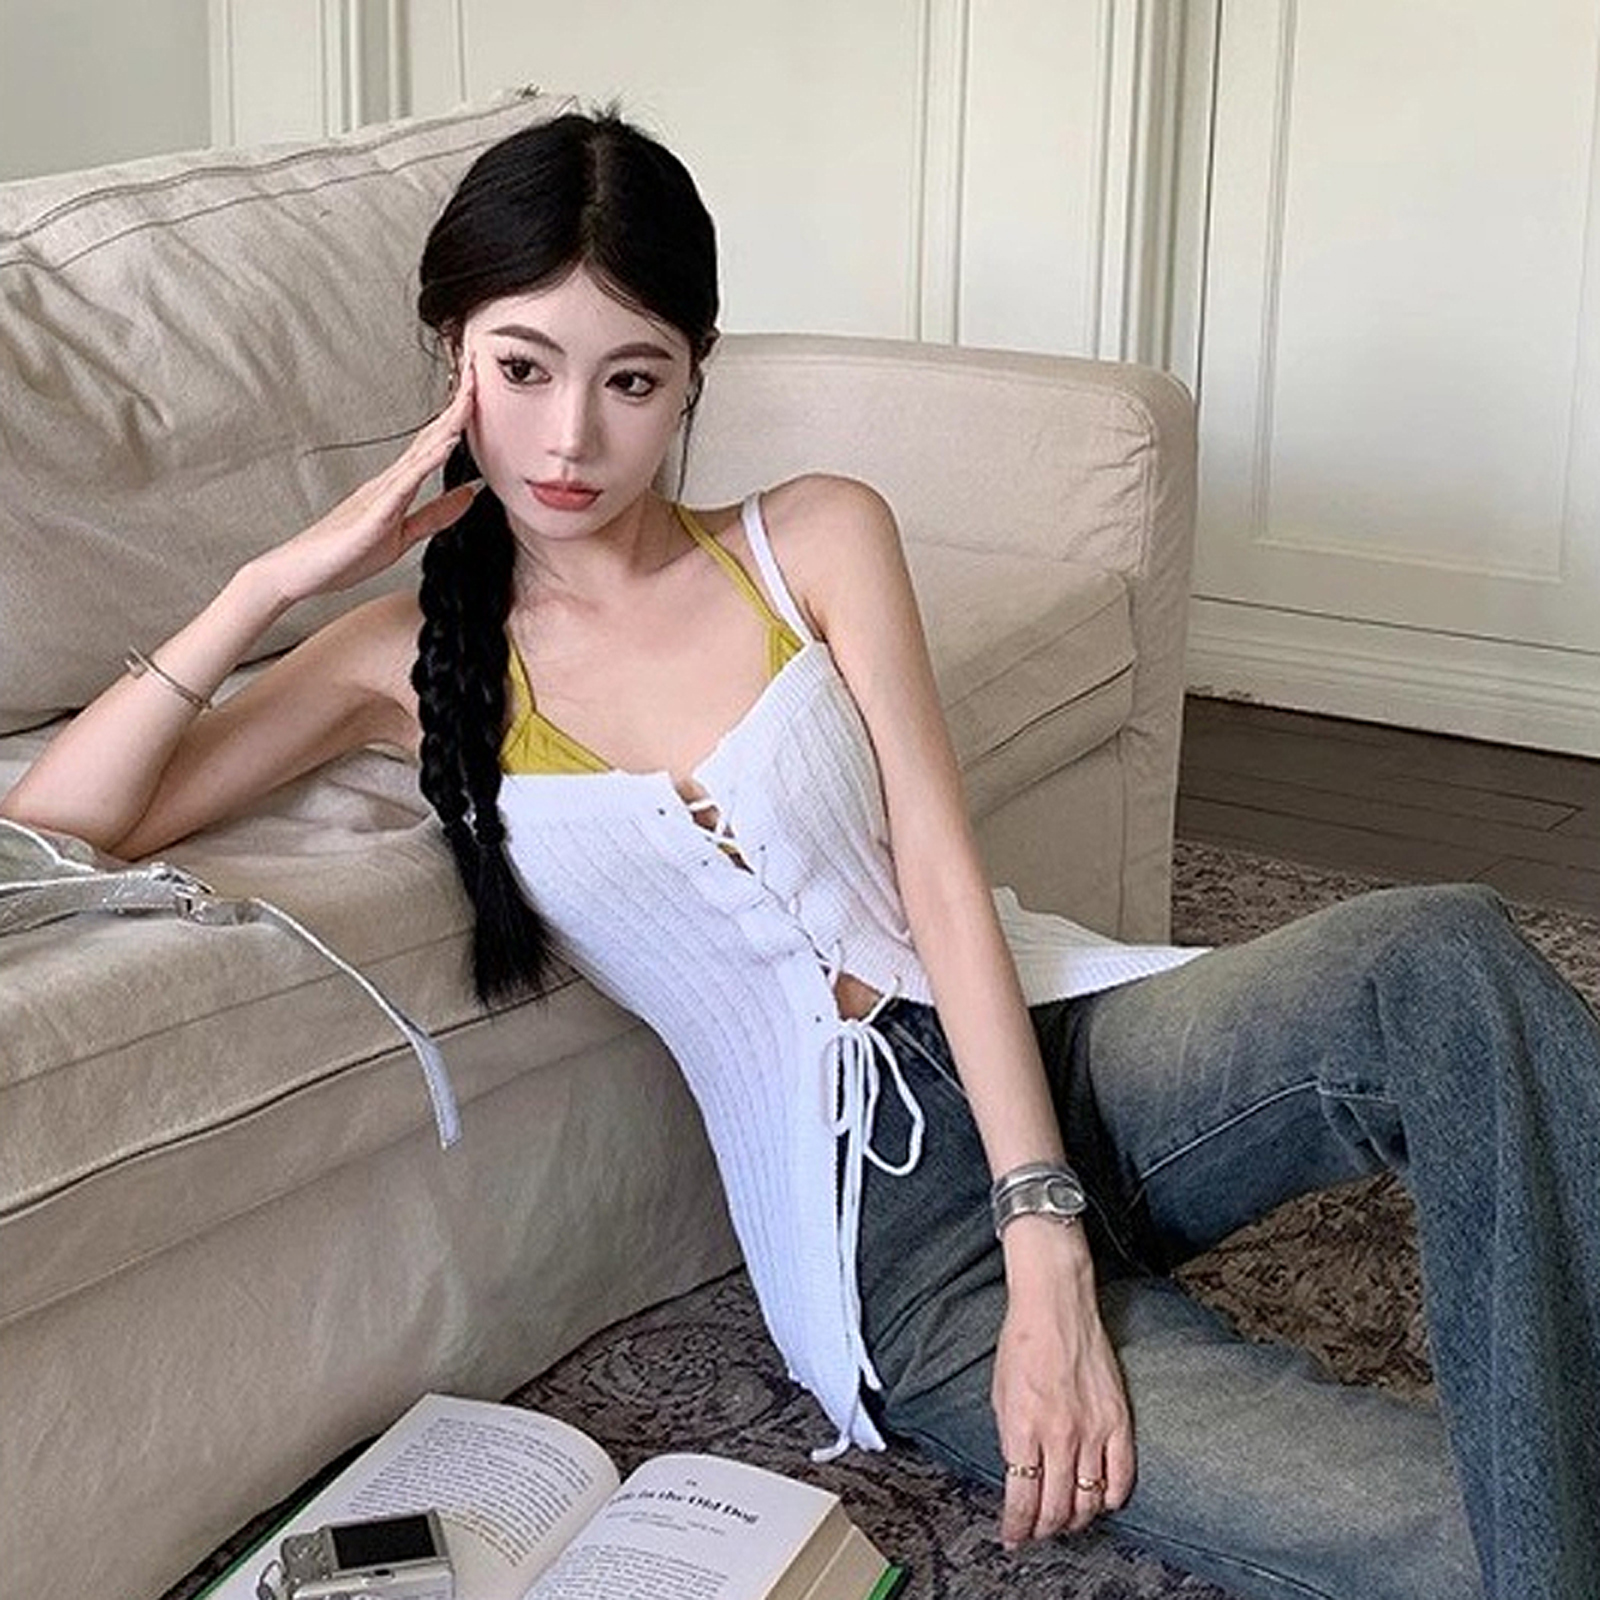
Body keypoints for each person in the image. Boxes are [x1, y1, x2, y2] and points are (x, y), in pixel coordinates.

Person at [3, 110, 1597, 1600]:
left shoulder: (815, 538)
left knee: (1439, 957)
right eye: (523, 368)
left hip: (1064, 1055)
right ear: (451, 359)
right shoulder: (391, 657)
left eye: (631, 380)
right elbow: (59, 822)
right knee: (1477, 1529)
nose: (569, 439)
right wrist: (277, 580)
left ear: (694, 378)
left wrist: (1049, 1241)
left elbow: (941, 880)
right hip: (895, 1258)